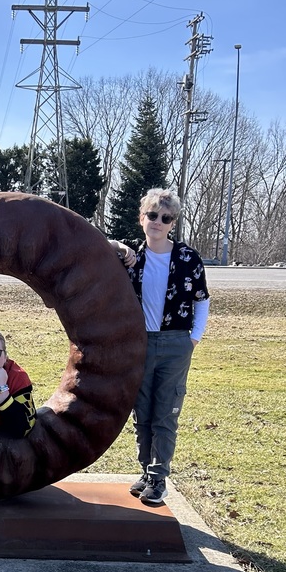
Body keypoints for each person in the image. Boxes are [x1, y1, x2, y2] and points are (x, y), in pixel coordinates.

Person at [106, 188, 210, 506]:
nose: (157, 222)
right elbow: (94, 246)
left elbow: (202, 300)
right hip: (140, 345)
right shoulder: (131, 259)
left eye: (165, 218)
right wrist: (120, 246)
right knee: (143, 413)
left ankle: (159, 476)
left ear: (172, 223)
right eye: (152, 215)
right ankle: (147, 472)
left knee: (166, 412)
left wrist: (194, 338)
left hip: (176, 344)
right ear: (142, 218)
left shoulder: (188, 259)